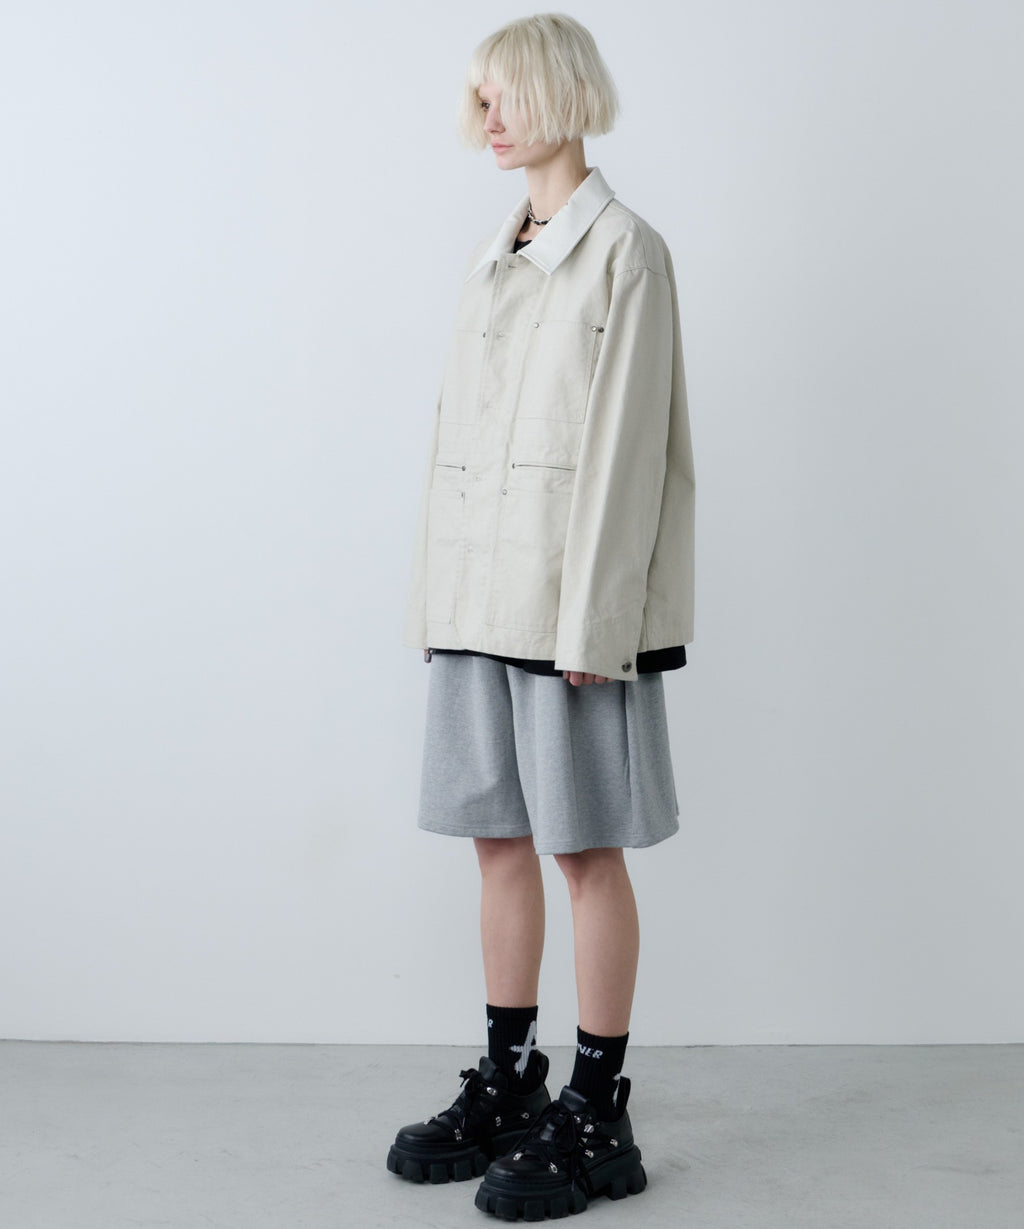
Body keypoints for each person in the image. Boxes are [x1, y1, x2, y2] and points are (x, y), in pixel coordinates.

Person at [387, 12, 695, 1221]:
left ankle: (599, 1107)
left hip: (568, 613)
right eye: (478, 98)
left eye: (503, 93)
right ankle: (510, 1080)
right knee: (496, 838)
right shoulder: (491, 255)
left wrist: (595, 626)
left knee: (581, 847)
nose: (489, 118)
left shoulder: (625, 253)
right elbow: (451, 435)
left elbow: (627, 454)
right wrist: (435, 594)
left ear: (560, 89)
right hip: (481, 599)